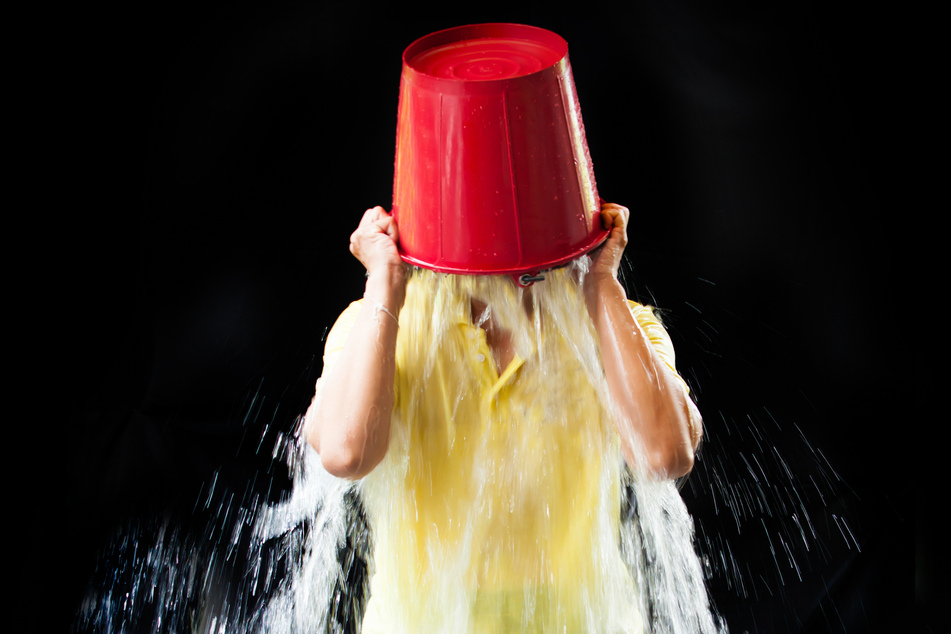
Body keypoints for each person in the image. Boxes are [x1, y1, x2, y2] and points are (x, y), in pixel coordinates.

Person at [303, 202, 703, 633]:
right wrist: (384, 284)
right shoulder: (378, 325)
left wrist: (601, 283)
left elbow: (665, 454)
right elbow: (346, 453)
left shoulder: (616, 324)